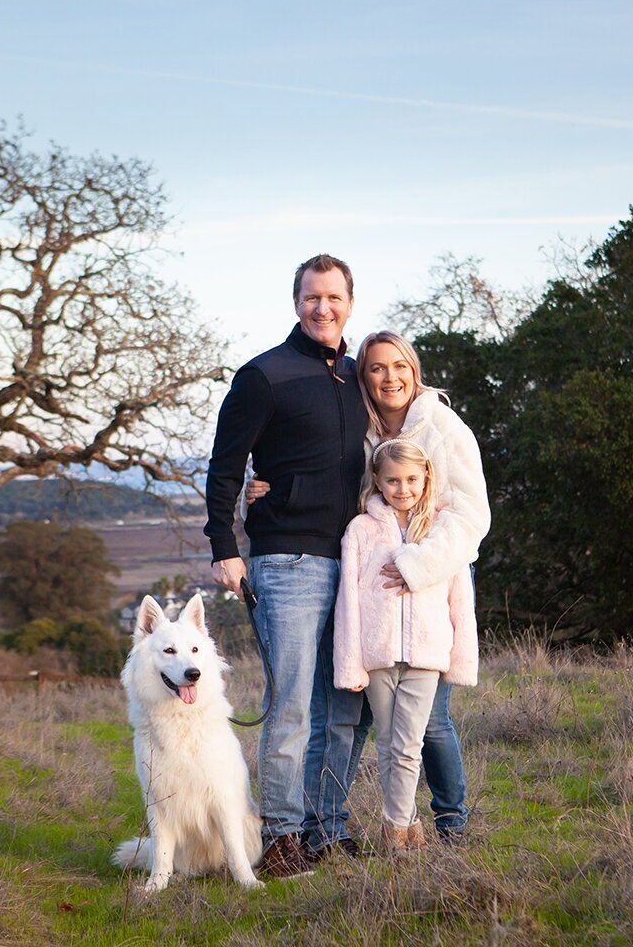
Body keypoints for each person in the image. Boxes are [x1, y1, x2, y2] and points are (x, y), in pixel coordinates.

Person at [249, 330, 490, 840]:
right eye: (377, 368)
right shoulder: (360, 429)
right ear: (364, 377)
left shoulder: (442, 426)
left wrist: (417, 565)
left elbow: (472, 515)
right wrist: (264, 485)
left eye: (399, 366)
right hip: (371, 589)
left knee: (429, 721)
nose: (390, 377)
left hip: (432, 581)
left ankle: (451, 822)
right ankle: (329, 826)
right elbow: (332, 483)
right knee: (352, 715)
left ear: (414, 369)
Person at [203, 253, 369, 878]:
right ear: (295, 302)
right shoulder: (263, 375)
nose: (321, 308)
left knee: (345, 707)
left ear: (350, 302)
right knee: (294, 707)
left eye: (332, 297)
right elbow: (225, 468)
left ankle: (328, 827)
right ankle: (281, 838)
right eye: (310, 298)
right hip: (288, 563)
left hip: (353, 561)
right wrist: (225, 546)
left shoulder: (357, 377)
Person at [333, 439, 478, 851]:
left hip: (426, 655)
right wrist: (351, 663)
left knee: (409, 743)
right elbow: (349, 600)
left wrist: (460, 657)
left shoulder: (440, 529)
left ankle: (394, 830)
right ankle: (410, 823)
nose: (403, 488)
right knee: (388, 745)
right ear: (377, 480)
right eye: (393, 480)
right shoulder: (360, 530)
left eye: (412, 479)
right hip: (376, 655)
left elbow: (459, 598)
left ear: (425, 477)